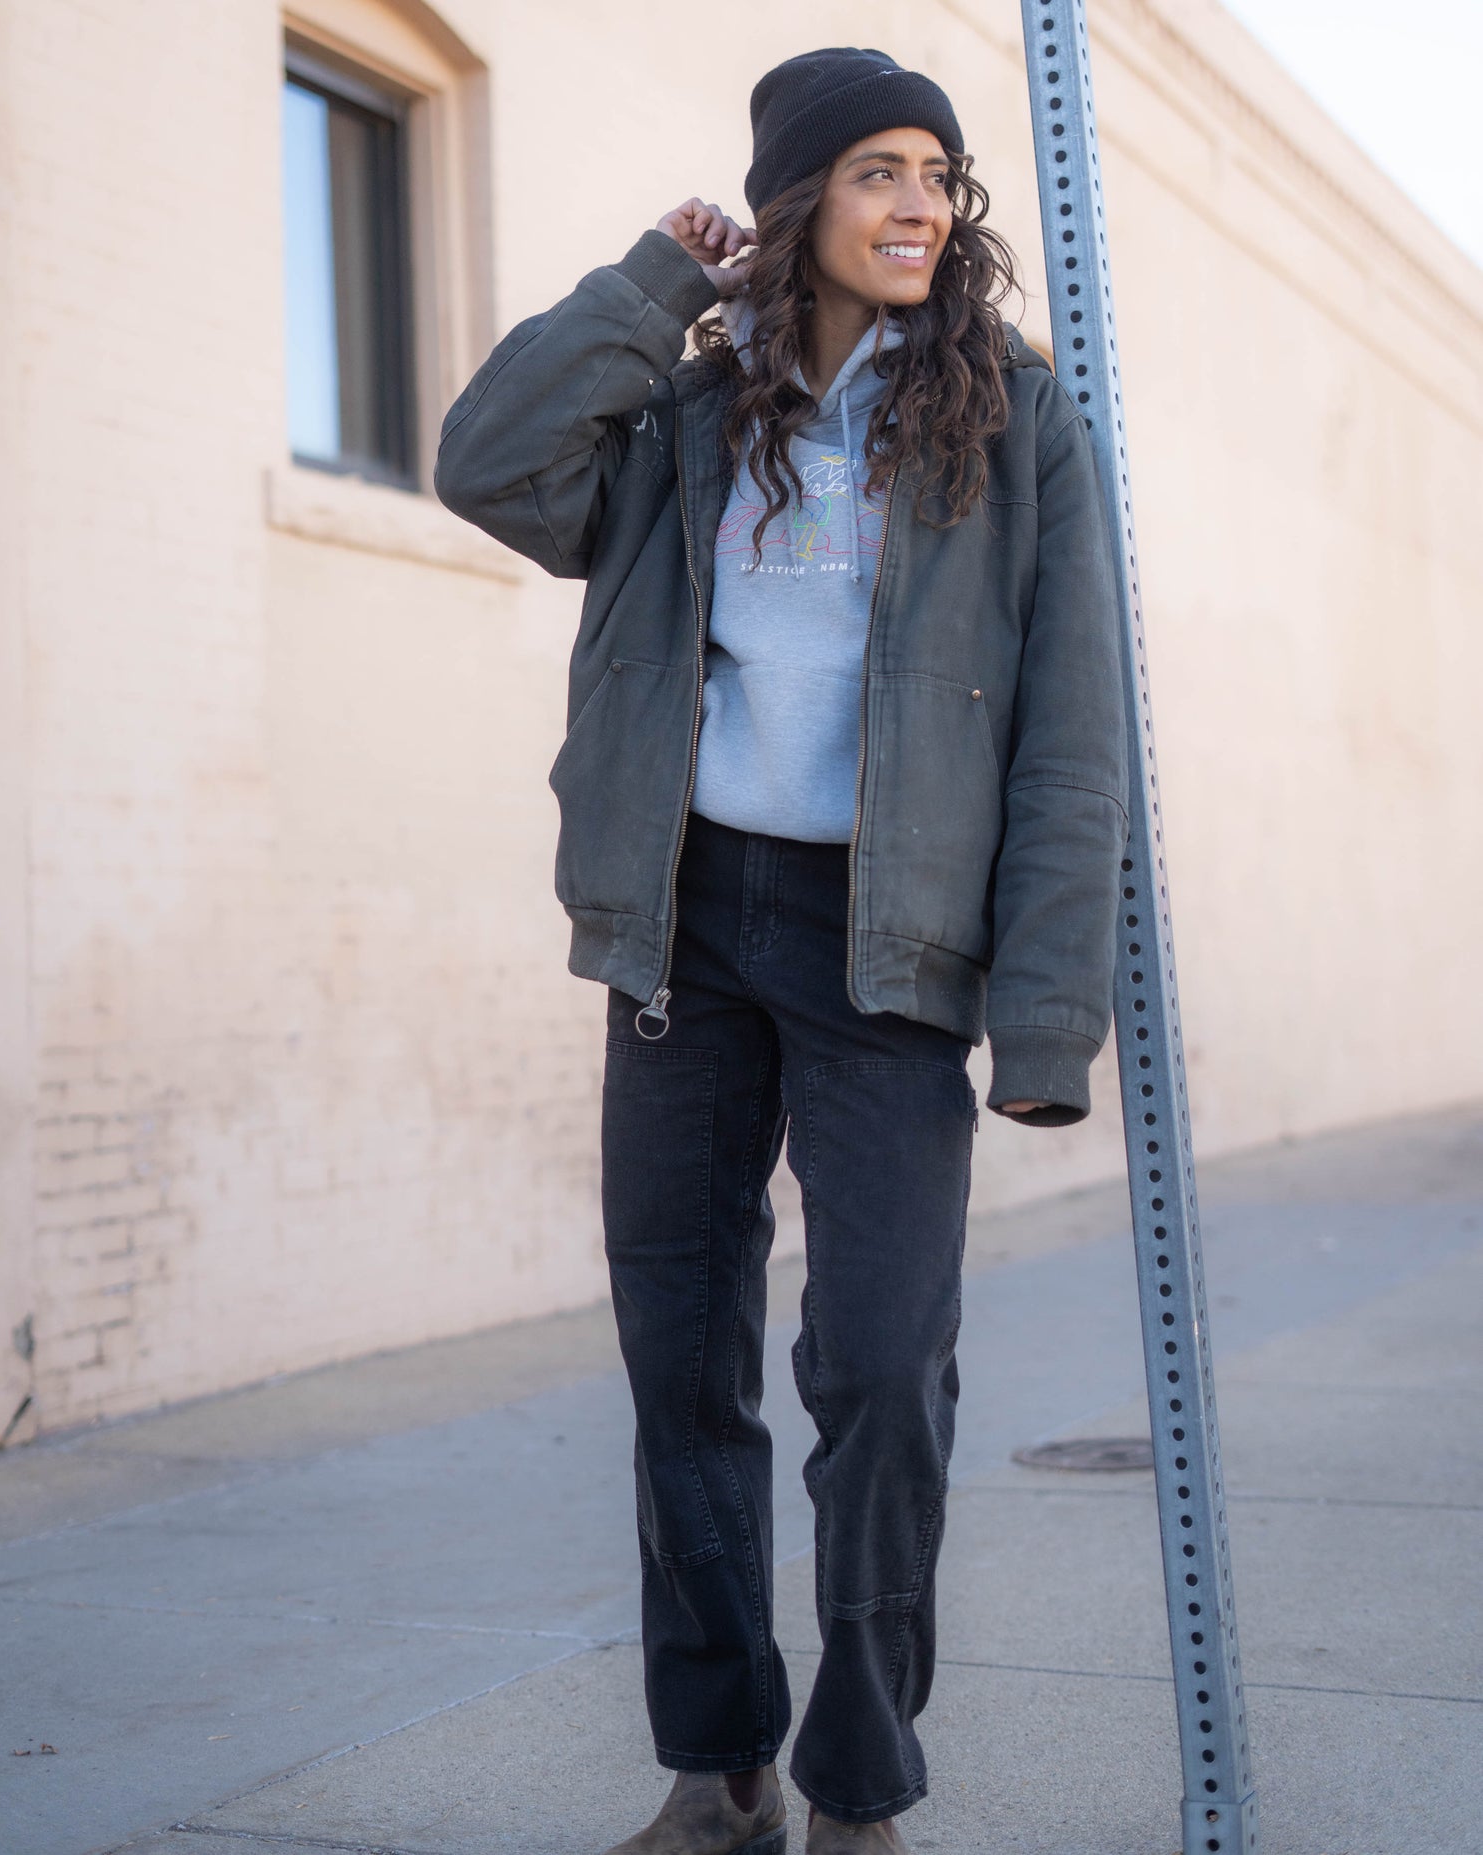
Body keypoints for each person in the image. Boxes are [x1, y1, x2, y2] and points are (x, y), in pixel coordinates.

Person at [434, 44, 1128, 1855]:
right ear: (799, 198)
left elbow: (1073, 735)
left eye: (940, 179)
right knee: (683, 1358)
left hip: (885, 943)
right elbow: (485, 464)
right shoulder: (687, 404)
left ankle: (858, 1779)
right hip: (686, 920)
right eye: (880, 173)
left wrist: (1047, 1023)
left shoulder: (1014, 419)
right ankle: (718, 1766)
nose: (919, 207)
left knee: (885, 1366)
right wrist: (655, 283)